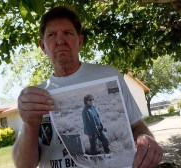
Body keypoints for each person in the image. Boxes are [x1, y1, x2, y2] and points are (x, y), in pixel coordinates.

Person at [12, 6, 163, 168]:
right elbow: (23, 165)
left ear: (80, 41)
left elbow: (137, 126)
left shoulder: (108, 75)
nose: (60, 40)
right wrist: (29, 125)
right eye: (51, 35)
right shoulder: (36, 97)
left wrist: (146, 140)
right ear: (42, 46)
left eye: (68, 33)